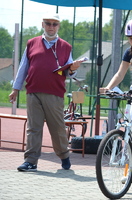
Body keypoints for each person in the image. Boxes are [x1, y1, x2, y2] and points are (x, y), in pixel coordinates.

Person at [9, 13, 84, 172]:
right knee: (33, 127)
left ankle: (64, 155)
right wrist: (16, 88)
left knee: (56, 127)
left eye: (54, 24)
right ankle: (31, 161)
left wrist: (73, 69)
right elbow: (23, 67)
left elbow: (69, 73)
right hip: (33, 91)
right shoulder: (31, 43)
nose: (51, 26)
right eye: (48, 23)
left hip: (54, 93)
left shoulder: (66, 46)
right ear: (42, 24)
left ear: (58, 26)